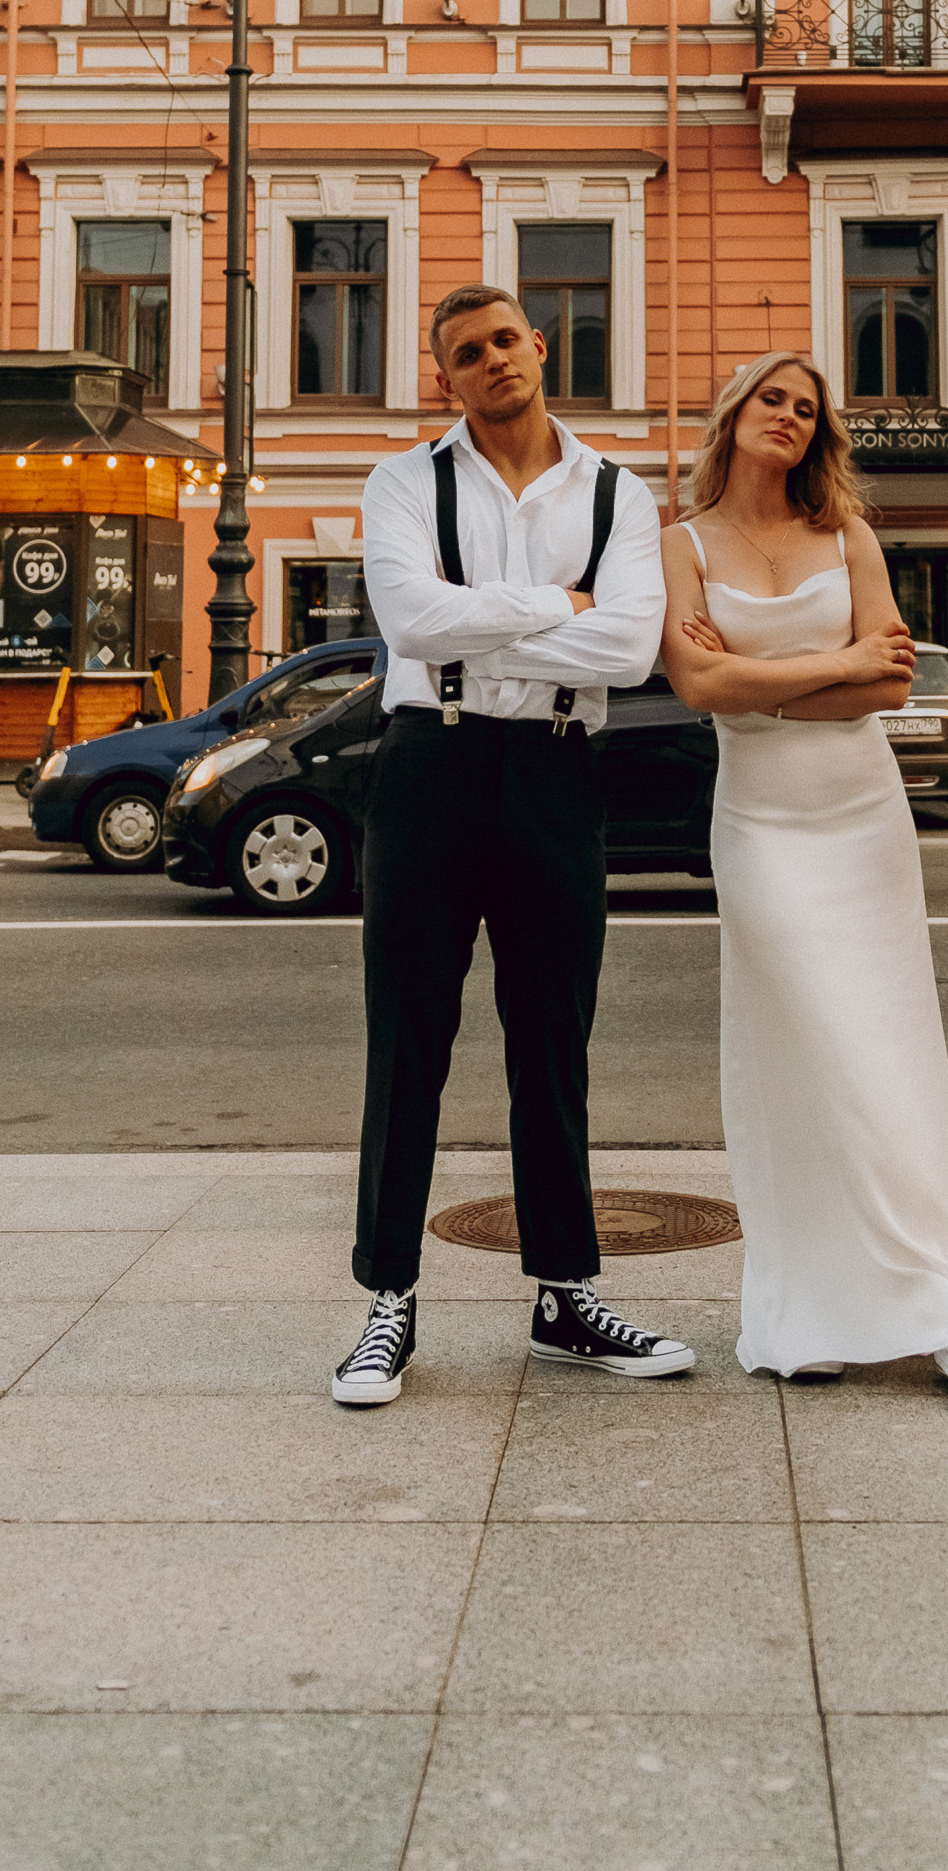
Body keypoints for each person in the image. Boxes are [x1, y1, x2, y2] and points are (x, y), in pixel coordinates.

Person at [333, 282, 693, 1408]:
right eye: (466, 352)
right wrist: (557, 603)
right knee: (408, 1042)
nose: (493, 361)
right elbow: (408, 622)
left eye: (506, 340)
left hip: (551, 772)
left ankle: (564, 1297)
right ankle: (387, 1301)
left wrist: (496, 616)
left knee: (552, 1043)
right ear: (445, 377)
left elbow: (630, 648)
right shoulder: (403, 481)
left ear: (539, 347)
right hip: (428, 765)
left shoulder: (619, 492)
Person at [659, 351, 948, 1410]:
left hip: (860, 817)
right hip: (761, 826)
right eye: (769, 400)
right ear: (733, 416)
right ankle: (804, 1311)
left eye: (804, 408)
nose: (785, 416)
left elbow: (883, 685)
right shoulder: (678, 545)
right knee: (803, 1052)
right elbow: (698, 685)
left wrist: (764, 683)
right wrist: (828, 667)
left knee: (886, 1053)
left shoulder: (846, 535)